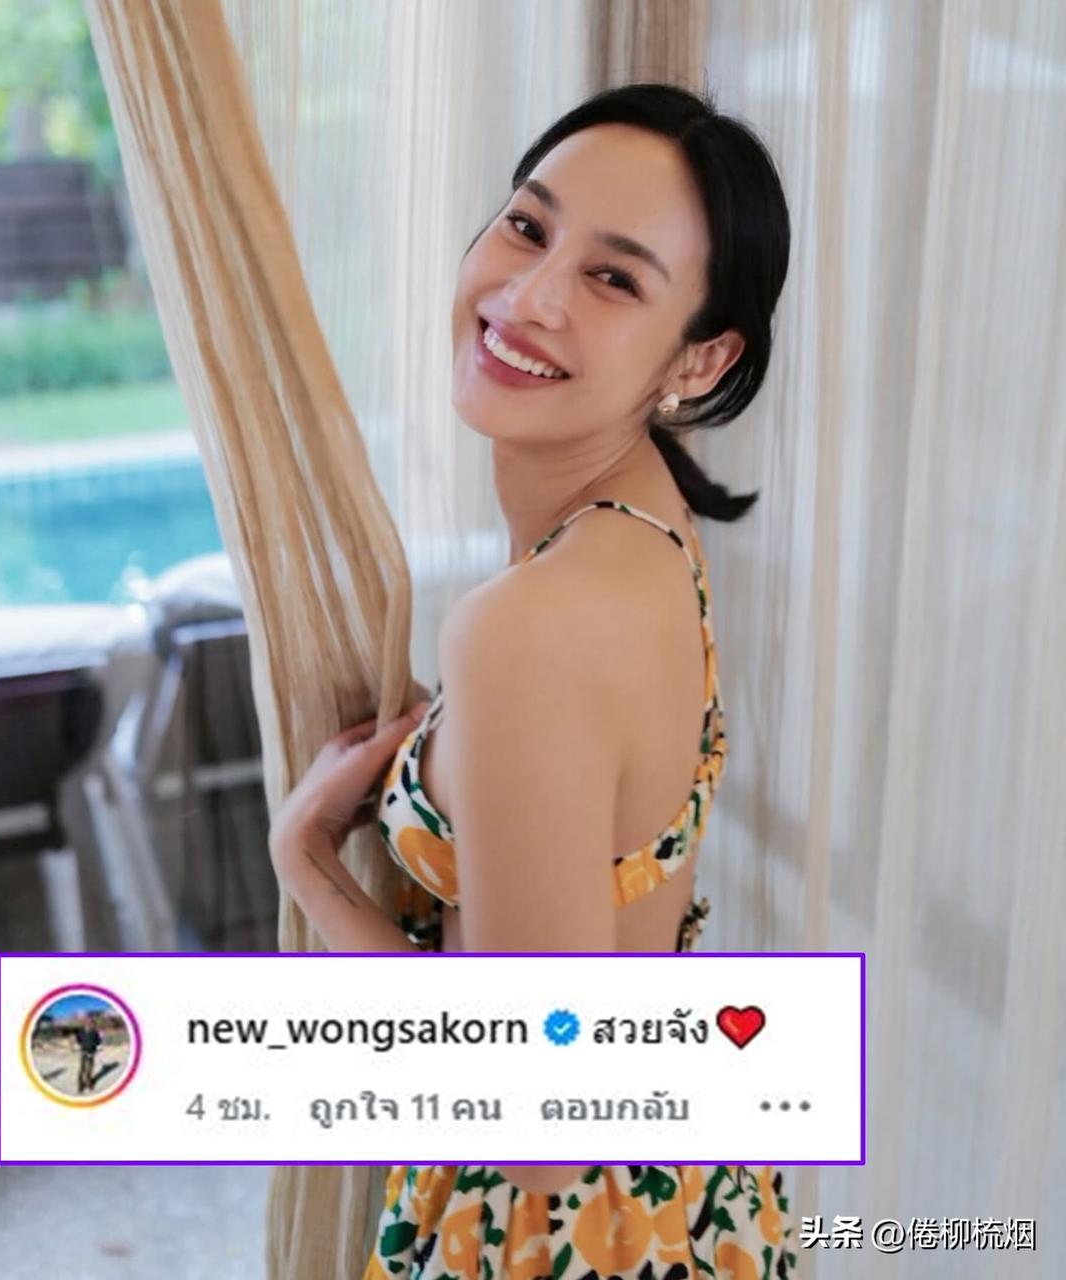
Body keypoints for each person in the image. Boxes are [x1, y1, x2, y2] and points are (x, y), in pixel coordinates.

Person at [269, 82, 797, 1279]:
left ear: (701, 354)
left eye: (611, 277)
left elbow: (538, 1129)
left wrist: (306, 862)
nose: (528, 296)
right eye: (525, 225)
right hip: (686, 1188)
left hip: (558, 1234)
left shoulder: (530, 624)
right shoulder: (645, 527)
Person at [76, 1014, 103, 1095]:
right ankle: (80, 1085)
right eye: (88, 1022)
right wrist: (82, 1045)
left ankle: (89, 1084)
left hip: (91, 1053)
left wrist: (100, 1038)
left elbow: (98, 1042)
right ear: (85, 1023)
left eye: (91, 1022)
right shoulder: (81, 1031)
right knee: (82, 1069)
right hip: (83, 1052)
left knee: (90, 1069)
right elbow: (78, 1040)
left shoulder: (95, 1032)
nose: (89, 1024)